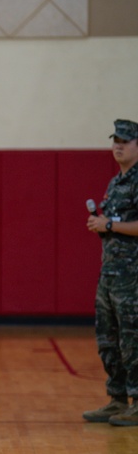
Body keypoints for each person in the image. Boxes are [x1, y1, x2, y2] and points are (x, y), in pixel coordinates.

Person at [84, 118, 138, 427]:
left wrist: (110, 225)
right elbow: (116, 225)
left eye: (125, 141)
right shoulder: (116, 182)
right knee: (109, 337)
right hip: (111, 273)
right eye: (115, 140)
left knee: (133, 337)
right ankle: (117, 398)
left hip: (133, 276)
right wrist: (102, 225)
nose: (118, 146)